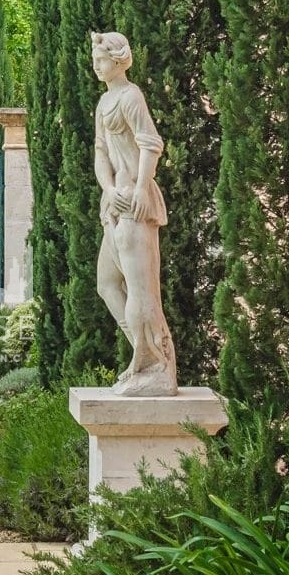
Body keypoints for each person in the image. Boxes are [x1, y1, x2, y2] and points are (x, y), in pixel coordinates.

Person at [90, 31, 178, 397]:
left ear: (118, 59)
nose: (96, 65)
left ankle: (157, 364)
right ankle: (143, 354)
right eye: (94, 60)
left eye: (100, 59)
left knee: (142, 290)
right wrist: (109, 191)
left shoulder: (130, 97)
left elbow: (150, 143)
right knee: (108, 284)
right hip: (115, 202)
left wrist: (141, 187)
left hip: (134, 203)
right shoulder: (104, 102)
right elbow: (100, 152)